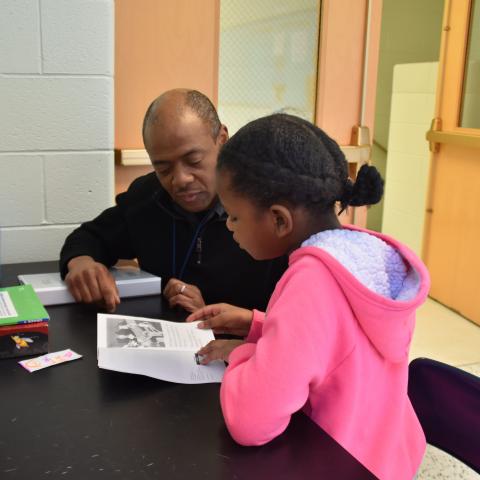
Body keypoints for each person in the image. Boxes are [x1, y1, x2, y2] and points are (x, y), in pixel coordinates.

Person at [187, 114, 430, 479]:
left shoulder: (310, 281)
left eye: (234, 216)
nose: (229, 227)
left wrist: (245, 354)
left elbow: (250, 422)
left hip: (335, 461)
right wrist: (258, 325)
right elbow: (340, 347)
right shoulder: (364, 259)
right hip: (384, 459)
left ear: (280, 220)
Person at [59, 89, 287, 312]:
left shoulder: (264, 207)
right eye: (163, 168)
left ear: (222, 140)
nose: (180, 180)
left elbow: (293, 324)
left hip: (242, 346)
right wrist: (81, 263)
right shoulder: (148, 196)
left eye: (194, 160)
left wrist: (207, 311)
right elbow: (90, 237)